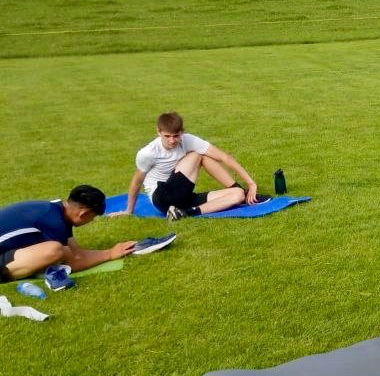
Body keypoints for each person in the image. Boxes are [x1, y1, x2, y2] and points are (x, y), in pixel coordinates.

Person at [124, 111, 260, 221]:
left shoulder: (188, 140)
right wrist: (129, 211)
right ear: (158, 132)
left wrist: (251, 183)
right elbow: (137, 181)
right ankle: (239, 189)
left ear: (182, 132)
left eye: (176, 136)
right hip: (162, 198)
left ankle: (185, 213)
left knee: (237, 195)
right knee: (198, 154)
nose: (172, 140)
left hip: (183, 197)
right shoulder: (148, 152)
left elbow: (224, 157)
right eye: (167, 136)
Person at [0, 185, 135, 282]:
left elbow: (76, 253)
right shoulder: (54, 221)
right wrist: (110, 253)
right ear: (83, 214)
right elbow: (73, 262)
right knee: (54, 250)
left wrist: (107, 253)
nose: (91, 221)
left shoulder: (57, 209)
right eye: (92, 217)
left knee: (59, 251)